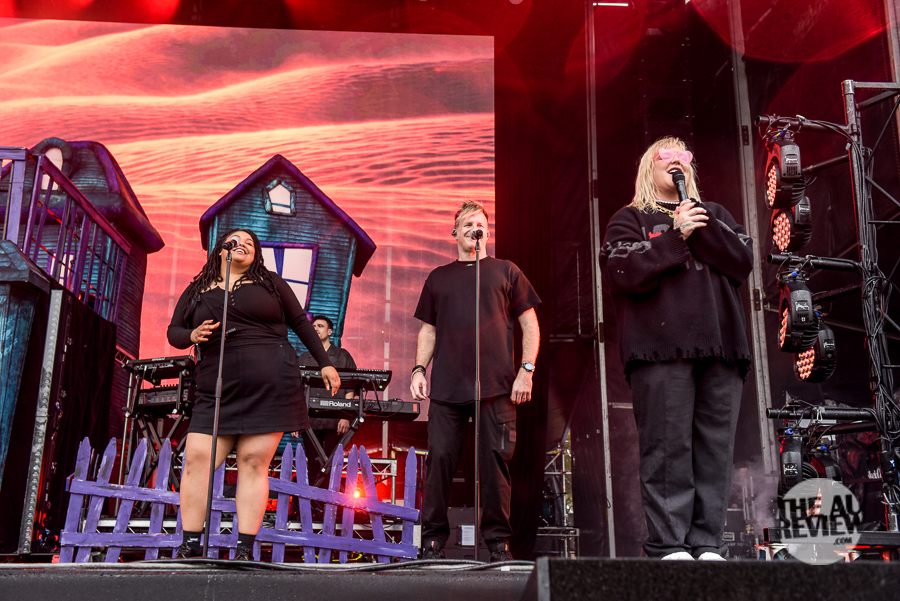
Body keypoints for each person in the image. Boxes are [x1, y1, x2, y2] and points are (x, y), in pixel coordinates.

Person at [599, 137, 753, 560]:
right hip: (661, 350)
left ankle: (707, 542)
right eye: (666, 156)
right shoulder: (630, 218)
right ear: (648, 168)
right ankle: (669, 544)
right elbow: (620, 271)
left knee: (715, 449)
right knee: (667, 447)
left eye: (683, 157)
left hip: (721, 348)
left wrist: (698, 227)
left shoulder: (714, 214)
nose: (677, 162)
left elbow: (742, 260)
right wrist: (675, 235)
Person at [167, 228, 340, 560]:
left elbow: (300, 323)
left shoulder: (270, 282)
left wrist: (325, 363)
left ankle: (244, 549)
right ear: (222, 249)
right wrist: (192, 334)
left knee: (252, 463)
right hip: (217, 385)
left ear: (256, 254)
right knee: (197, 460)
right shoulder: (198, 289)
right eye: (237, 240)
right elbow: (174, 332)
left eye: (250, 243)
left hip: (270, 382)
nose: (243, 245)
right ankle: (190, 546)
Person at [410, 200, 540, 562]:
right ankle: (432, 542)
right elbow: (428, 330)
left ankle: (498, 544)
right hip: (448, 388)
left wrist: (526, 369)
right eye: (467, 224)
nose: (474, 229)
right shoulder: (438, 277)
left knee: (495, 464)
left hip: (497, 387)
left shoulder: (506, 271)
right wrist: (419, 369)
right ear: (454, 232)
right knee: (439, 461)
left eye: (479, 223)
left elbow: (530, 323)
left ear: (487, 231)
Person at [298, 315, 356, 482]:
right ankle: (313, 498)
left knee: (331, 464)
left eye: (320, 326)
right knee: (313, 463)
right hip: (310, 421)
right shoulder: (303, 358)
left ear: (330, 332)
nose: (316, 329)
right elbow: (297, 390)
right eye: (313, 326)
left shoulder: (342, 356)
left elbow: (350, 387)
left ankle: (327, 498)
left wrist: (346, 416)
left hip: (335, 420)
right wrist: (296, 419)